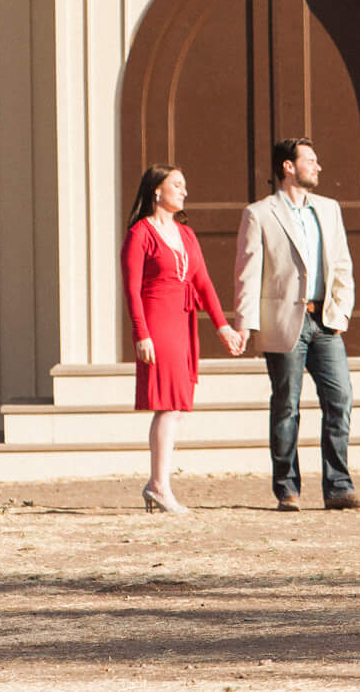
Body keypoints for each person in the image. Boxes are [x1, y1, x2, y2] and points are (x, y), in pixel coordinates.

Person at [233, 136, 360, 511]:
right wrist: (244, 323)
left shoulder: (329, 209)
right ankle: (287, 489)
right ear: (288, 166)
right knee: (286, 407)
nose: (318, 166)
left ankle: (338, 487)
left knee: (340, 400)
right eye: (310, 160)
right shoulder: (259, 214)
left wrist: (342, 312)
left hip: (325, 321)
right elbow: (248, 273)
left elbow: (342, 264)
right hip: (283, 322)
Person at [121, 163, 244, 514]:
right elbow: (131, 290)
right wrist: (141, 333)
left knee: (177, 406)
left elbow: (202, 282)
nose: (184, 191)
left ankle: (158, 484)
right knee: (168, 403)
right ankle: (159, 485)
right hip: (157, 321)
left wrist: (223, 327)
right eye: (177, 184)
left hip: (183, 321)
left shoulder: (186, 234)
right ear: (157, 190)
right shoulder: (140, 233)